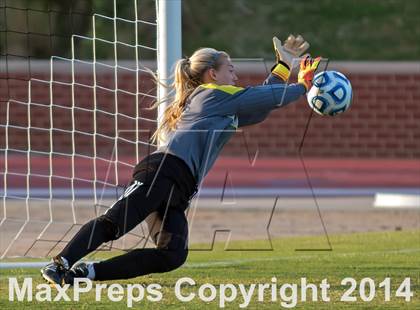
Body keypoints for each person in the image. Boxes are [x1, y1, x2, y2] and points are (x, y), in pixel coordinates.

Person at [41, 35, 320, 285]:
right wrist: (302, 85)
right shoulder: (212, 95)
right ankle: (60, 263)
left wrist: (284, 64)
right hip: (162, 171)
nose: (235, 74)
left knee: (172, 255)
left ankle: (85, 274)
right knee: (116, 224)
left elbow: (262, 104)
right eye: (230, 68)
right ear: (213, 74)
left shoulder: (223, 103)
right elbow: (262, 96)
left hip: (180, 186)